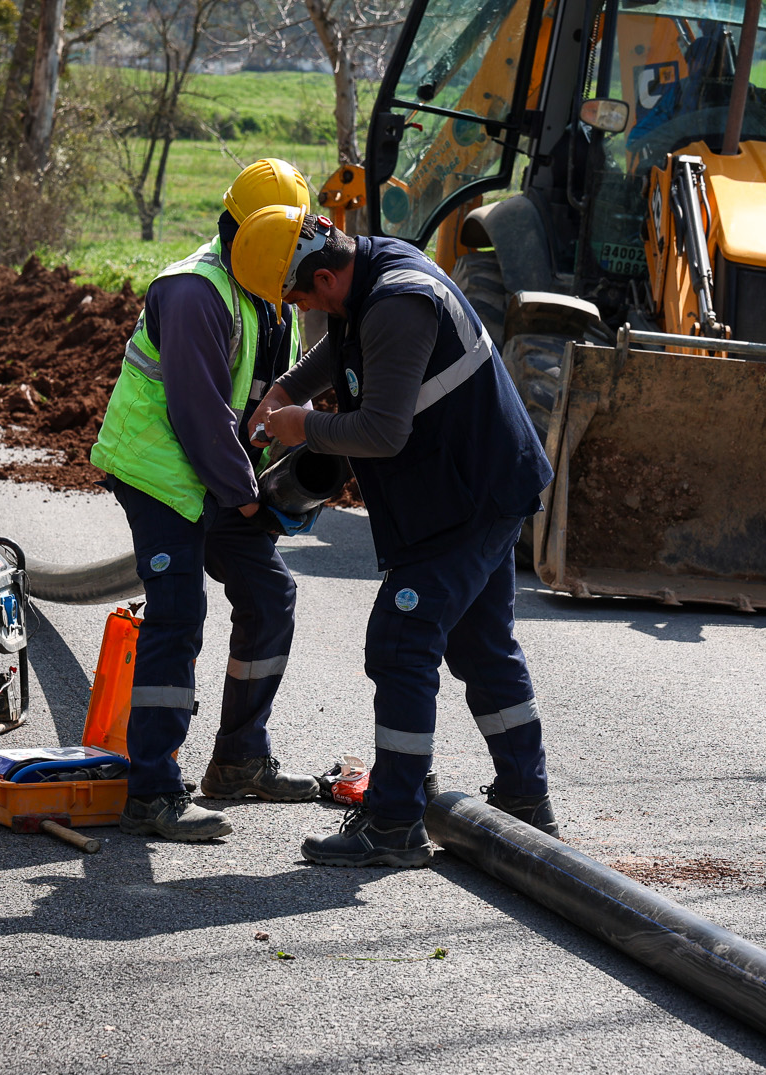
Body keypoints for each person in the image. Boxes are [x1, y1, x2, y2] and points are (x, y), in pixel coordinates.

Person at [235, 208, 557, 867]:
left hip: (468, 498)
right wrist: (291, 388)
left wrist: (303, 427)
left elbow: (383, 432)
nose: (298, 307)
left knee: (401, 641)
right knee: (482, 643)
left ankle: (394, 822)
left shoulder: (397, 304)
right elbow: (344, 347)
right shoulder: (369, 272)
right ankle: (526, 800)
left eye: (297, 296)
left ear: (323, 274)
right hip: (476, 485)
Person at [88, 160, 324, 843]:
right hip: (160, 475)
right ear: (250, 231)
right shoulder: (196, 291)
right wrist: (247, 499)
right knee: (178, 612)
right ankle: (152, 789)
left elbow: (260, 395)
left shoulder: (259, 287)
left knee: (268, 592)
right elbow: (198, 415)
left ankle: (240, 756)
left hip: (216, 476)